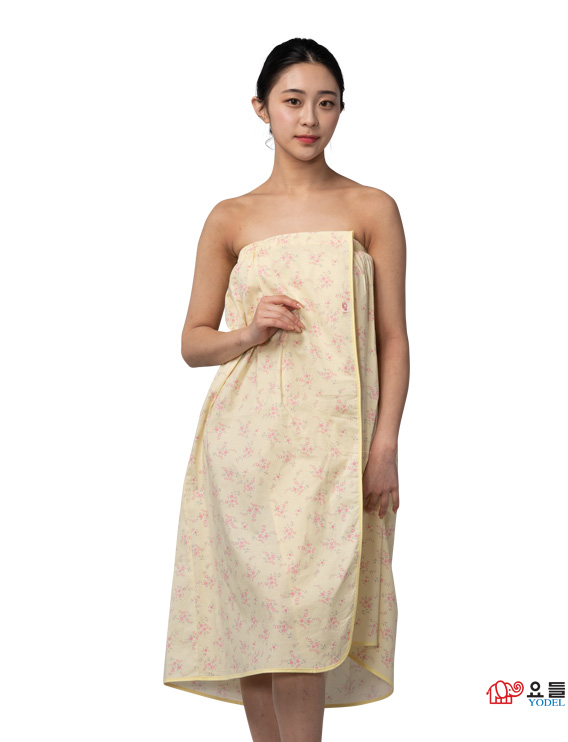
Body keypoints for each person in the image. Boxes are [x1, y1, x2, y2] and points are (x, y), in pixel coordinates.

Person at [163, 37, 409, 742]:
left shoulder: (371, 208)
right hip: (246, 450)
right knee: (260, 625)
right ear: (261, 108)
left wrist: (384, 446)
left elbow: (393, 338)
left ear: (340, 112)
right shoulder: (230, 217)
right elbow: (192, 343)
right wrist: (248, 331)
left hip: (336, 450)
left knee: (302, 622)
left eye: (326, 103)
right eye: (293, 101)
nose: (309, 118)